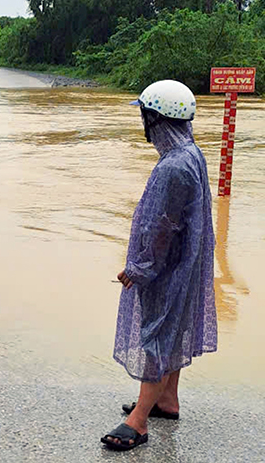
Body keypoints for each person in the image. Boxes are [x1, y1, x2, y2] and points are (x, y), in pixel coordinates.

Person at [101, 80, 218, 452]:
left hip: (169, 266)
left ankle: (138, 422)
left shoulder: (173, 167)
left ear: (154, 119)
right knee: (172, 325)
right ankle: (167, 400)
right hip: (188, 260)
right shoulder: (190, 153)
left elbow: (161, 227)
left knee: (156, 332)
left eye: (145, 115)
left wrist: (138, 268)